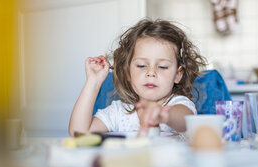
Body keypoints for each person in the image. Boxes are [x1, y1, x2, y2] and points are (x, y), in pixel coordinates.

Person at [68, 19, 206, 137]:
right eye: (141, 66)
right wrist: (93, 82)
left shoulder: (179, 104)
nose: (151, 73)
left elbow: (186, 120)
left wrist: (164, 115)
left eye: (162, 67)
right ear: (128, 72)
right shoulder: (118, 112)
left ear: (178, 74)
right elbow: (79, 133)